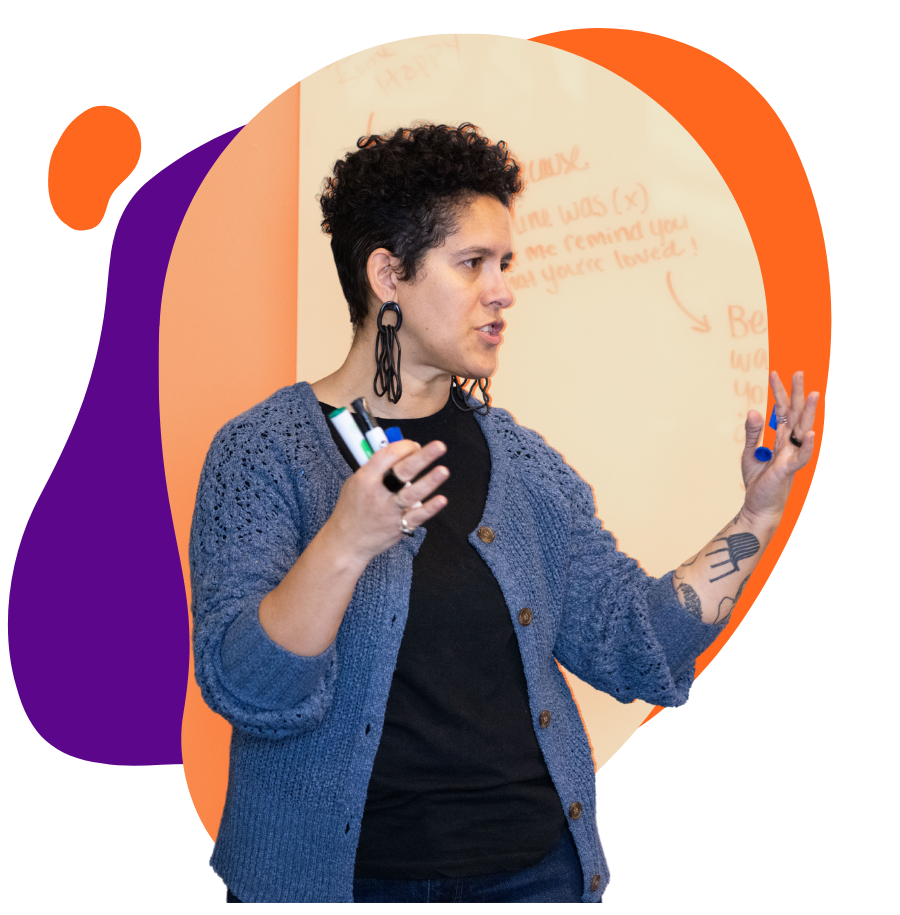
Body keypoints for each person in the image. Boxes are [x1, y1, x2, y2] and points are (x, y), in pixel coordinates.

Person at [189, 123, 818, 904]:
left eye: (506, 263)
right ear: (388, 273)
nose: (504, 289)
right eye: (472, 263)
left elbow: (633, 641)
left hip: (533, 876)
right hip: (342, 881)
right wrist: (345, 543)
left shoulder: (519, 465)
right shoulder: (263, 453)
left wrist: (757, 514)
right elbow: (248, 690)